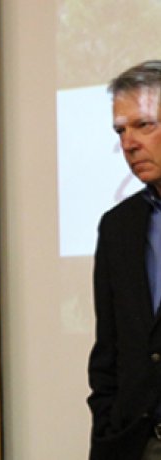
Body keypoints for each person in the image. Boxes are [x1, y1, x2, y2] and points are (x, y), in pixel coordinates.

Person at [88, 60, 161, 460]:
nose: (129, 143)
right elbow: (109, 354)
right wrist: (107, 429)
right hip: (136, 445)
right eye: (121, 130)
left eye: (144, 125)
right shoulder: (118, 226)